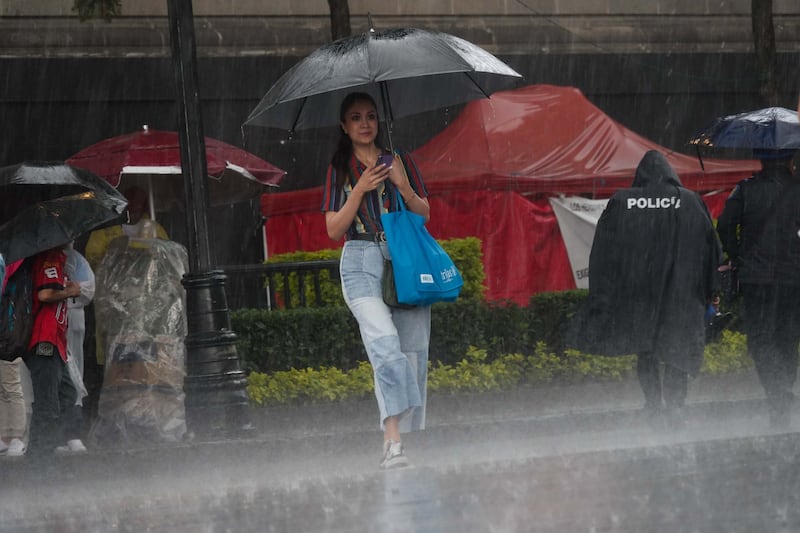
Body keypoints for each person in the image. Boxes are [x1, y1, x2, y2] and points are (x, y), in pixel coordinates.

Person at [568, 150, 720, 428]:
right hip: (682, 293)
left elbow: (603, 251)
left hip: (639, 294)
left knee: (646, 348)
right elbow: (711, 249)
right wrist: (711, 291)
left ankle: (653, 403)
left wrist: (603, 293)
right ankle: (675, 407)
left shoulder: (622, 201)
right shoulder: (689, 201)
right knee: (677, 350)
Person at [322, 92, 432, 469]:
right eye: (355, 118)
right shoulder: (339, 168)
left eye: (370, 116)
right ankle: (392, 440)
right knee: (384, 345)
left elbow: (424, 213)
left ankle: (404, 433)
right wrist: (359, 191)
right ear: (344, 126)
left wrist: (402, 185)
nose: (365, 123)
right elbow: (334, 229)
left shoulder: (398, 159)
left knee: (412, 353)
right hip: (360, 261)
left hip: (401, 257)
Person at [716, 148, 800, 427]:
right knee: (788, 336)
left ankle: (774, 391)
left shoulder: (745, 190)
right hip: (793, 278)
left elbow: (725, 225)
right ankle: (783, 389)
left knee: (761, 338)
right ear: (791, 160)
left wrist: (737, 254)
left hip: (756, 278)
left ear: (762, 161)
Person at [82, 186, 168, 425]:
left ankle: (142, 415)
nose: (135, 208)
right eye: (130, 203)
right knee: (116, 367)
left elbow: (164, 262)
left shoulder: (155, 230)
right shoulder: (104, 234)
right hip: (115, 314)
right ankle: (118, 417)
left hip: (145, 313)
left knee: (143, 364)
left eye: (139, 203)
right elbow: (96, 264)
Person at [24, 246, 85, 455]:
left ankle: (51, 444)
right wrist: (71, 291)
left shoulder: (57, 259)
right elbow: (45, 294)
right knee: (47, 401)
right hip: (45, 340)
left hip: (56, 342)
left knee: (67, 393)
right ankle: (39, 456)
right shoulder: (49, 258)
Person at [0, 255, 28, 457]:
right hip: (7, 330)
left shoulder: (12, 265)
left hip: (8, 333)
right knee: (3, 386)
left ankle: (17, 435)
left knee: (10, 384)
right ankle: (5, 435)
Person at [63, 242, 95, 415]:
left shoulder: (75, 259)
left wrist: (77, 289)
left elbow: (88, 289)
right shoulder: (45, 260)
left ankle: (73, 414)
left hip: (72, 315)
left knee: (74, 363)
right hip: (59, 317)